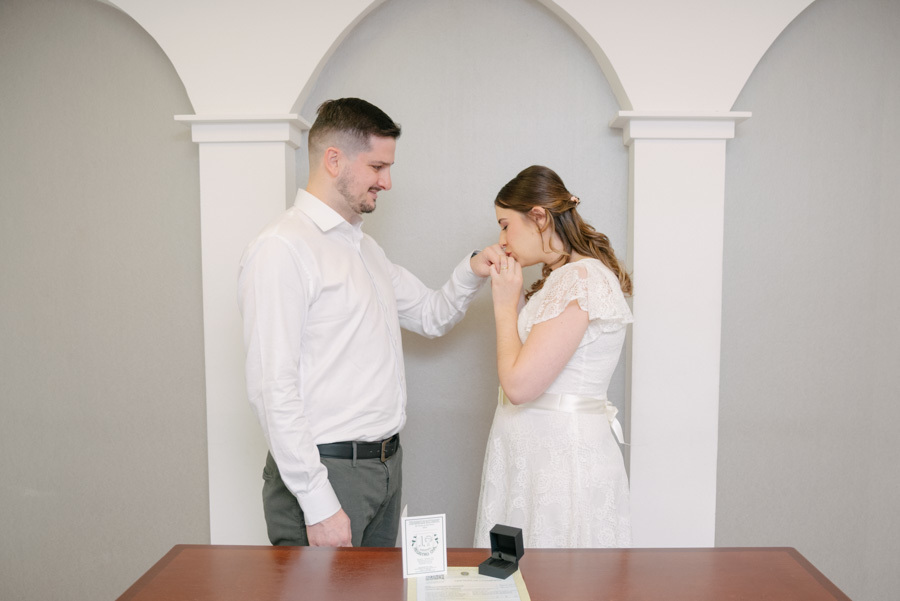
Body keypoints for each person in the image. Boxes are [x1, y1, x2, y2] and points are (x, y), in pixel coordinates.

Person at [238, 98, 502, 548]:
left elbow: (431, 315)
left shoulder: (366, 250)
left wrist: (474, 268)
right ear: (334, 160)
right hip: (326, 475)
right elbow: (272, 386)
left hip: (385, 468)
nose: (388, 181)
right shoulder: (282, 248)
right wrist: (319, 504)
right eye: (378, 166)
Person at [473, 165, 633, 549]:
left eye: (505, 224)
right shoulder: (562, 278)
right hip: (537, 455)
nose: (502, 239)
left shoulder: (580, 279)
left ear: (539, 217)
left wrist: (504, 306)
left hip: (559, 462)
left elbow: (519, 386)